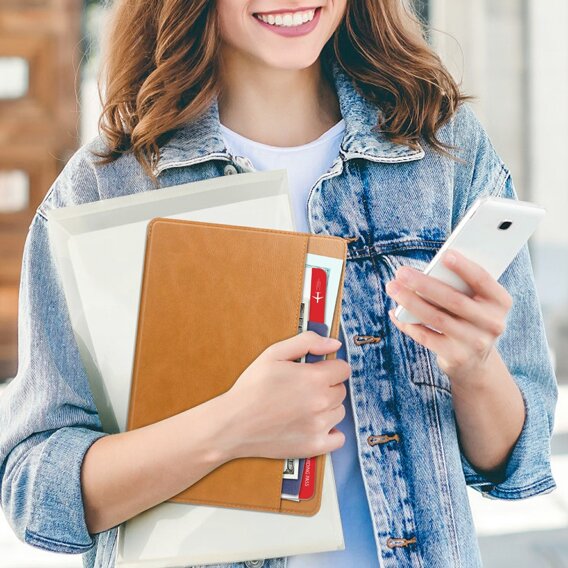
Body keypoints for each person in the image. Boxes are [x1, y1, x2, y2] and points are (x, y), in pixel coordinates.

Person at [0, 0, 558, 567]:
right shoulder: (110, 183)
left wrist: (474, 366)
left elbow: (512, 456)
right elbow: (34, 490)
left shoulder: (440, 148)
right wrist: (230, 427)